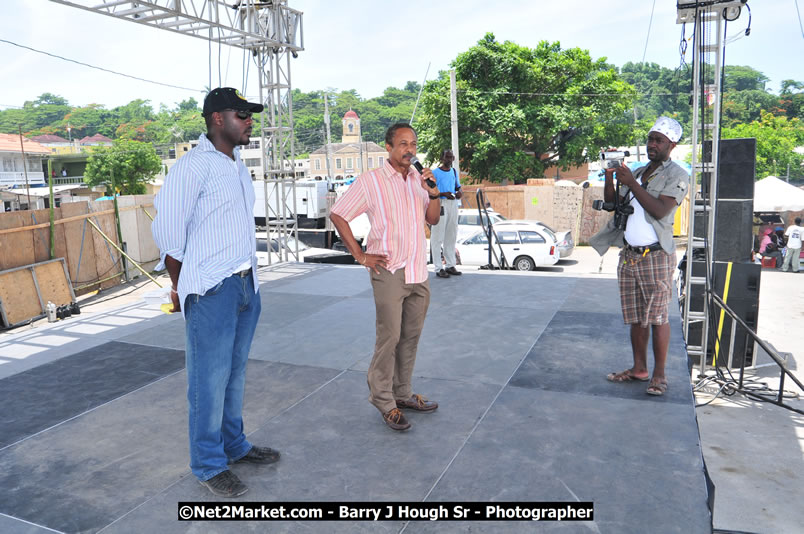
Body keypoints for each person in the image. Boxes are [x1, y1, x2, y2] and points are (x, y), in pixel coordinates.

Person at [152, 87, 279, 498]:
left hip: (246, 285)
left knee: (235, 375)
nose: (249, 121)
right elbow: (170, 238)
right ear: (217, 118)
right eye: (242, 114)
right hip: (212, 290)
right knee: (208, 381)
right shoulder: (191, 167)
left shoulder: (237, 163)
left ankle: (234, 444)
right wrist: (186, 288)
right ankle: (208, 464)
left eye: (250, 115)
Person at [329, 123, 442, 431]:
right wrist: (360, 255)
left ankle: (402, 393)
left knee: (410, 337)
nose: (410, 149)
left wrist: (433, 192)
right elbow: (338, 213)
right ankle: (383, 399)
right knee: (389, 337)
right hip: (389, 271)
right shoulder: (371, 182)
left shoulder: (419, 181)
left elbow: (432, 218)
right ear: (389, 148)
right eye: (403, 144)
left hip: (419, 270)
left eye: (414, 144)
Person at [590, 116, 689, 397]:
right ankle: (639, 369)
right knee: (636, 317)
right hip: (630, 255)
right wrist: (611, 174)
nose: (652, 144)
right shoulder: (640, 171)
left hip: (656, 256)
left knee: (657, 317)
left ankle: (659, 376)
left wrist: (633, 183)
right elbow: (613, 203)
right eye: (650, 139)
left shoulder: (677, 175)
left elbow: (660, 210)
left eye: (658, 140)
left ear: (672, 144)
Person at [430, 149, 463, 278]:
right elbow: (430, 191)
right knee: (438, 236)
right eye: (447, 157)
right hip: (440, 204)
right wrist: (443, 194)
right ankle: (438, 267)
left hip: (453, 204)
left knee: (451, 234)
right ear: (442, 158)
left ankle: (450, 265)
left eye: (451, 157)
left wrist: (459, 192)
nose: (449, 160)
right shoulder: (435, 173)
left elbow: (457, 187)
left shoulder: (454, 172)